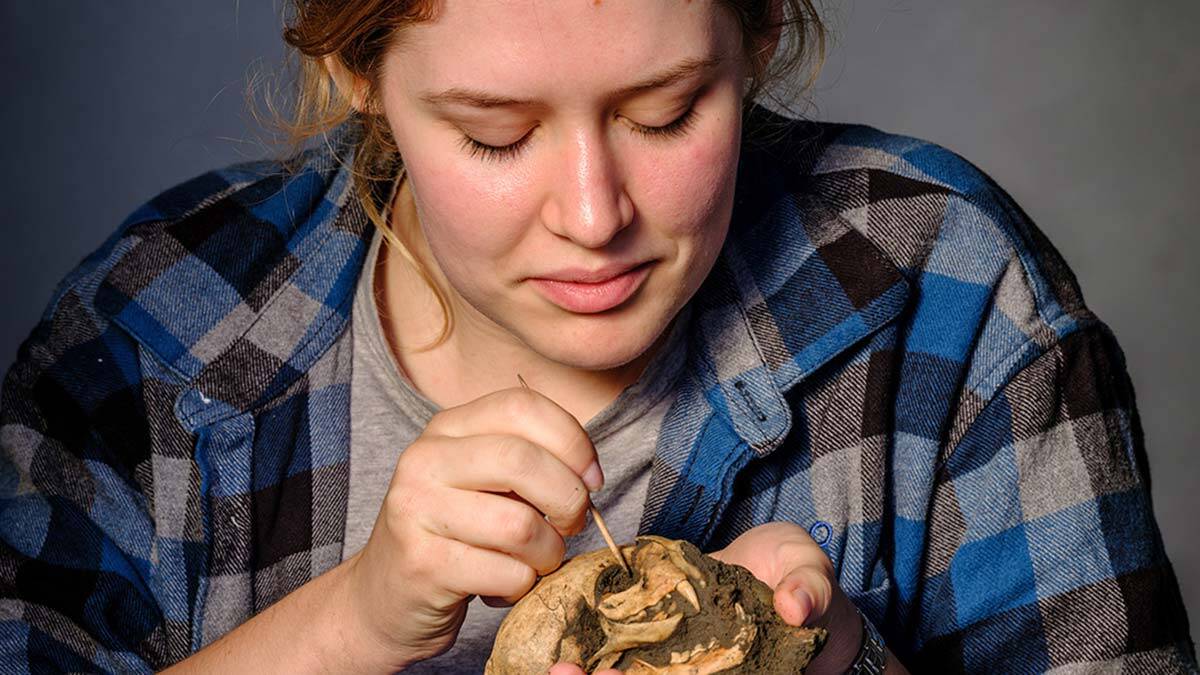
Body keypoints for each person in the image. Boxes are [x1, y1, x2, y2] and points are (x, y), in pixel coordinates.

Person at [0, 1, 1195, 673]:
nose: (592, 216)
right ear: (358, 71)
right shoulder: (158, 327)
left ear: (760, 36)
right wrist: (350, 622)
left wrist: (833, 664)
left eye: (665, 114)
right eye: (495, 134)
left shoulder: (946, 289)